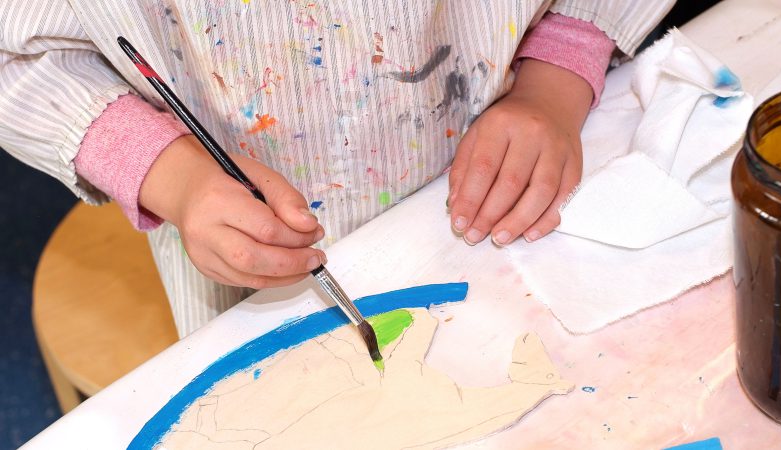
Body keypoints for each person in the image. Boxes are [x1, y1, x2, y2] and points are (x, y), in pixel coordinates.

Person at [0, 1, 674, 337]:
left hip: (517, 181)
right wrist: (169, 174)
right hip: (235, 248)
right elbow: (18, 60)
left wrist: (556, 72)